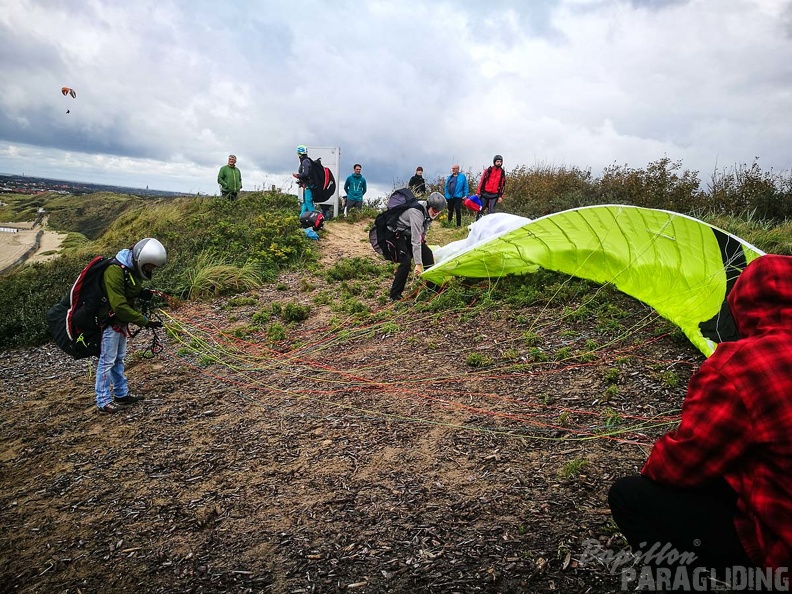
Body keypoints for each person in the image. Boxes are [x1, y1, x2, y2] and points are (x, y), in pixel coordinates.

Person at [608, 254, 792, 581]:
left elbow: (681, 465)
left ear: (745, 302)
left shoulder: (745, 364)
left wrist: (656, 464)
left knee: (630, 497)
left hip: (781, 545)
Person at [95, 238, 167, 413]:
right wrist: (144, 321)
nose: (150, 270)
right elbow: (119, 305)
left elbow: (128, 289)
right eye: (149, 266)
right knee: (107, 361)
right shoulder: (114, 270)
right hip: (109, 323)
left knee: (118, 358)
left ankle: (121, 393)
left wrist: (144, 293)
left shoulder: (129, 268)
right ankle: (103, 400)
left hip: (120, 322)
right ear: (141, 260)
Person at [389, 191, 446, 301]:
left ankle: (432, 288)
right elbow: (415, 240)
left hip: (408, 234)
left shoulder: (428, 211)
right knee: (405, 262)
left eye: (438, 212)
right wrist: (418, 264)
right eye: (435, 210)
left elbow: (424, 230)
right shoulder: (416, 212)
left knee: (428, 253)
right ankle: (395, 295)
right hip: (396, 235)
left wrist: (423, 242)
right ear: (430, 205)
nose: (436, 213)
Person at [477, 155, 506, 220]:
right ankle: (476, 224)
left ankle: (489, 227)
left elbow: (503, 185)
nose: (499, 163)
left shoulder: (502, 173)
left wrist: (501, 196)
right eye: (497, 161)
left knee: (491, 212)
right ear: (494, 162)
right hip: (485, 193)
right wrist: (478, 192)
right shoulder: (488, 170)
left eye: (500, 162)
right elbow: (482, 181)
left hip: (494, 195)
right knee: (480, 210)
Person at [292, 145, 315, 216]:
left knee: (308, 202)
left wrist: (298, 176)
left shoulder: (305, 162)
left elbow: (306, 174)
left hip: (309, 185)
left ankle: (315, 219)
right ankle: (301, 219)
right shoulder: (306, 161)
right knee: (305, 203)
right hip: (306, 185)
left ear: (299, 153)